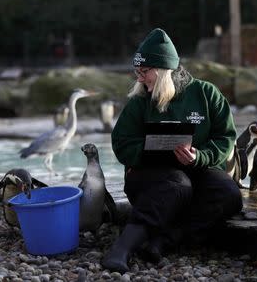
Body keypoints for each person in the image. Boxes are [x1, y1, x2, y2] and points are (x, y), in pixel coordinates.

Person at [101, 28, 243, 273]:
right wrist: (149, 152)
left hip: (195, 169)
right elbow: (121, 142)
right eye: (137, 72)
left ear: (163, 71)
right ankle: (121, 248)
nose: (139, 79)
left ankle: (164, 241)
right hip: (150, 178)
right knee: (177, 183)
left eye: (144, 72)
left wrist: (200, 156)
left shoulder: (206, 93)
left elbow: (225, 138)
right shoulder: (139, 101)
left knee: (229, 193)